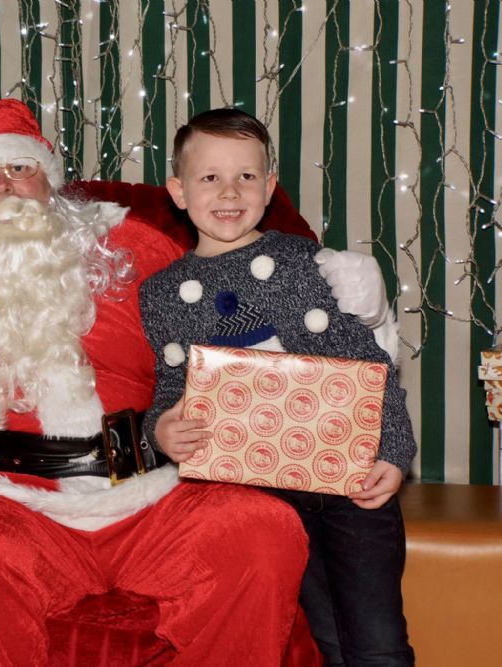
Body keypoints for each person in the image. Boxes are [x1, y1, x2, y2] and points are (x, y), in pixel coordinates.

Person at [0, 99, 397, 665]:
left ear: (50, 180)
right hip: (15, 502)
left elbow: (238, 287)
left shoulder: (132, 245)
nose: (2, 186)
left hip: (154, 489)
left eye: (19, 167)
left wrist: (335, 288)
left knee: (261, 529)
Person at [141, 107, 415, 665]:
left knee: (379, 641)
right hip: (259, 497)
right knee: (324, 638)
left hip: (352, 478)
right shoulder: (162, 293)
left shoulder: (304, 261)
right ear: (179, 191)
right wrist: (161, 430)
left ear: (269, 187)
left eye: (246, 175)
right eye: (210, 177)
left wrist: (393, 448)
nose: (229, 191)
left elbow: (368, 359)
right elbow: (171, 387)